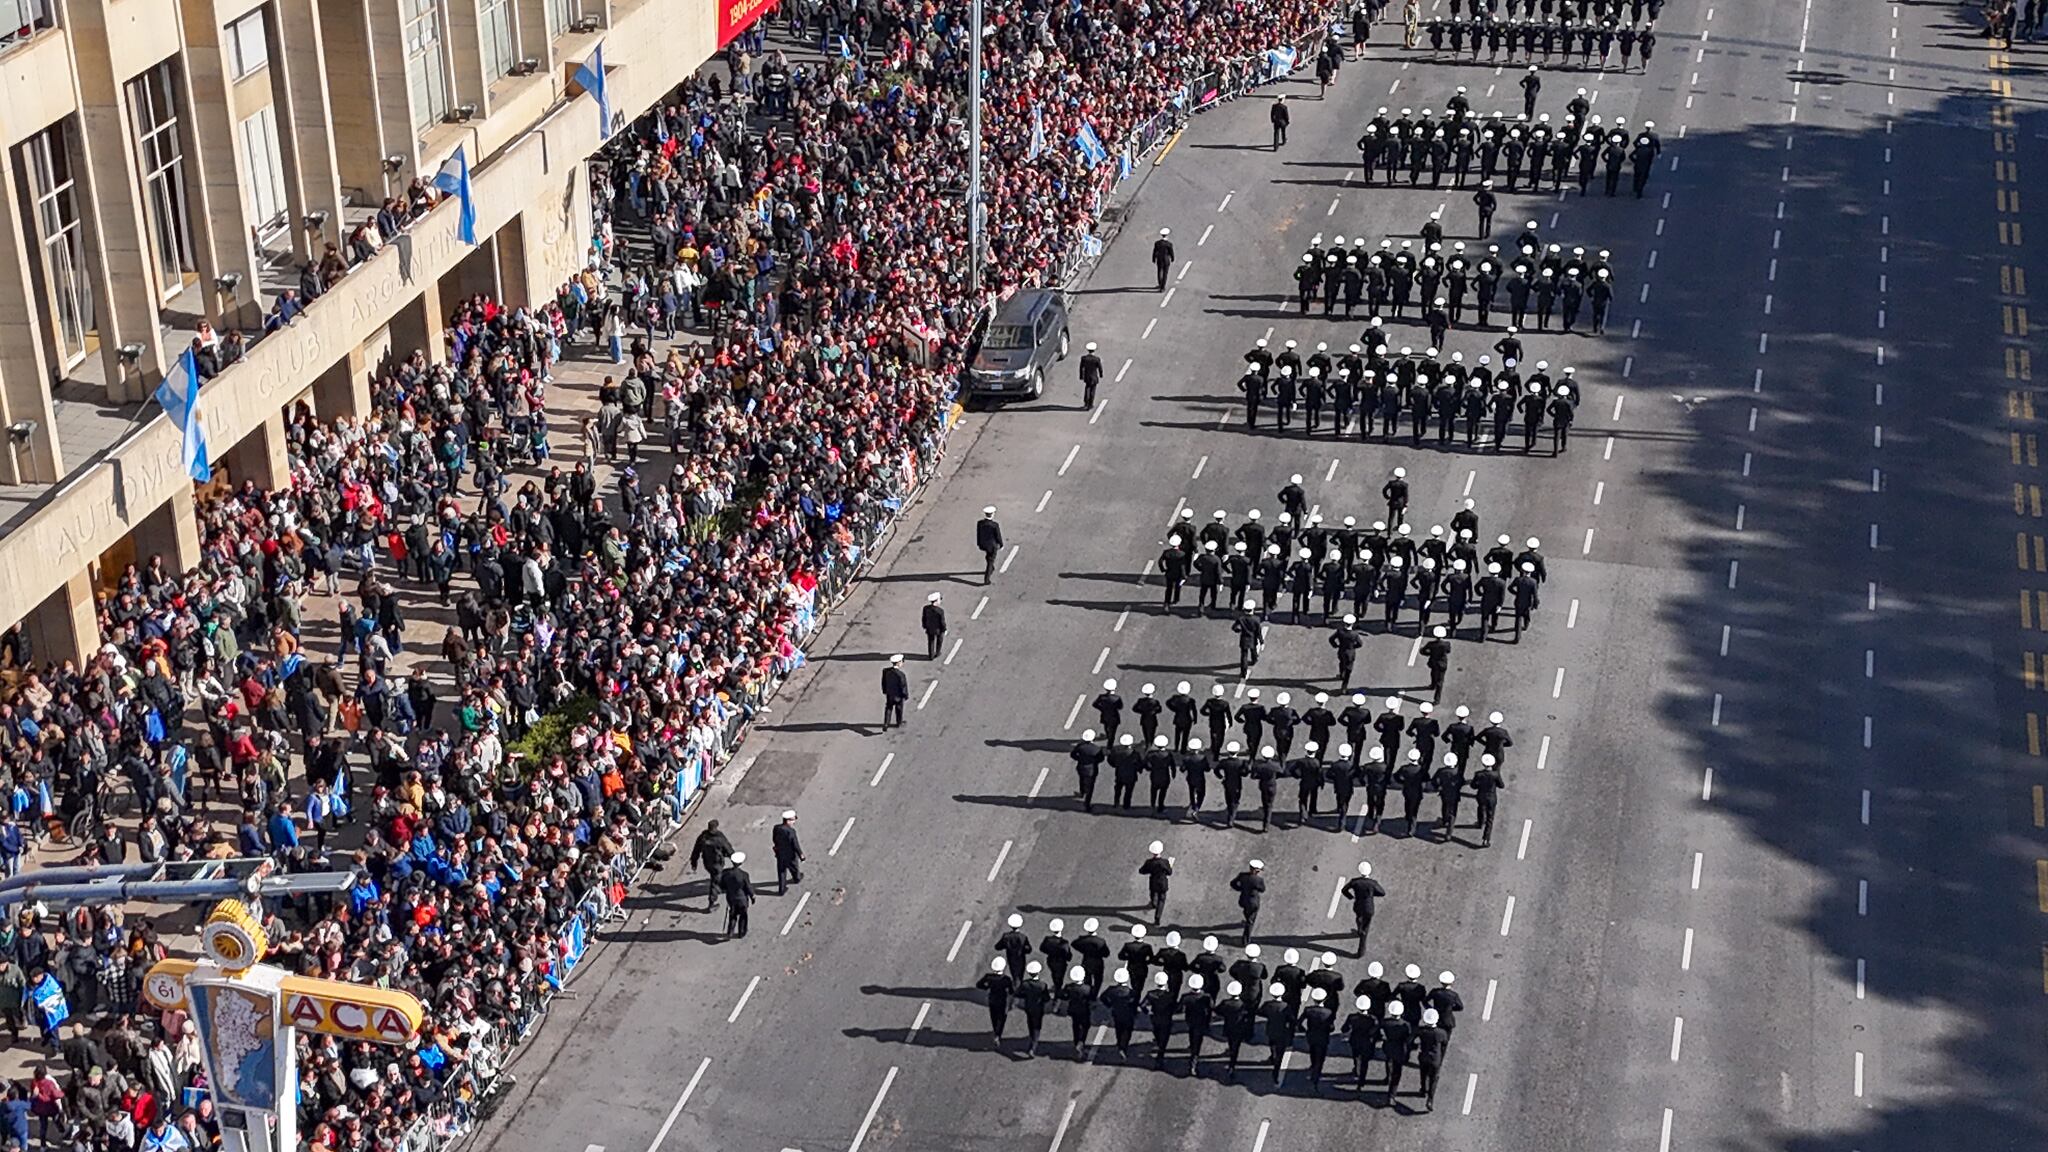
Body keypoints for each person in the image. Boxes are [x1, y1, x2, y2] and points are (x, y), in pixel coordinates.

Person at [1342, 861, 1386, 956]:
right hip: (1368, 907)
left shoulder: (1355, 882)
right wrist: (1372, 894)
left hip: (1358, 905)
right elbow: (1382, 893)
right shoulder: (1372, 883)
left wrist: (1350, 897)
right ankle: (1361, 951)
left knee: (1359, 917)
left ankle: (1359, 929)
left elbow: (1344, 890)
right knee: (1366, 928)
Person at [689, 819, 734, 911]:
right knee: (714, 882)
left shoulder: (703, 837)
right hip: (717, 864)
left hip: (707, 863)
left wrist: (694, 862)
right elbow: (728, 849)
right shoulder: (719, 838)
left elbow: (696, 851)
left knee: (716, 877)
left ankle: (719, 886)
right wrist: (735, 861)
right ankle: (711, 903)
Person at [978, 957, 1016, 1046]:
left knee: (994, 1017)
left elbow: (979, 985)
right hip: (1002, 1000)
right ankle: (998, 1034)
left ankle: (995, 1030)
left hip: (992, 999)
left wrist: (987, 987)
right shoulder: (1006, 979)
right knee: (1001, 1018)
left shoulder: (988, 977)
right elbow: (1011, 991)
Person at [1230, 859, 1266, 944]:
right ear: (1257, 871)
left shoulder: (1242, 876)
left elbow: (1233, 883)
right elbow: (1262, 889)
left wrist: (1241, 889)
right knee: (1250, 921)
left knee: (1246, 912)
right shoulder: (1258, 880)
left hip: (1243, 900)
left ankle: (1246, 919)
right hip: (1253, 902)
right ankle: (1245, 940)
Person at [719, 851, 755, 937]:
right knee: (743, 916)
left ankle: (730, 932)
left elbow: (722, 885)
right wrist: (752, 896)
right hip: (742, 899)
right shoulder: (744, 875)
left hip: (731, 898)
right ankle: (741, 932)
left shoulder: (726, 874)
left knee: (733, 915)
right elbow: (748, 887)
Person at [1140, 841, 1174, 924]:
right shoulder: (1165, 862)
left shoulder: (1149, 862)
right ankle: (1157, 918)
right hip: (1163, 883)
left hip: (1153, 882)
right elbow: (1169, 872)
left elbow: (1142, 871)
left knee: (1153, 893)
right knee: (1161, 900)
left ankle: (1153, 903)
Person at [772, 810, 805, 895]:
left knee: (781, 872)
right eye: (793, 820)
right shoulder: (791, 831)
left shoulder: (776, 828)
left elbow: (774, 839)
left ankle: (781, 889)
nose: (794, 822)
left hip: (780, 854)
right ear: (788, 821)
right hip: (790, 855)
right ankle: (796, 878)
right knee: (794, 868)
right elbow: (795, 844)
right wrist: (801, 854)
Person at [977, 507, 1005, 583]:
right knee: (990, 561)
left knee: (988, 556)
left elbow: (978, 534)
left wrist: (979, 544)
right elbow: (998, 536)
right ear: (992, 514)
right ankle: (987, 579)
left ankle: (991, 568)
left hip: (983, 545)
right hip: (992, 546)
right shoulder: (994, 525)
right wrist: (1001, 544)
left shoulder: (980, 523)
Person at [882, 654, 910, 728]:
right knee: (899, 709)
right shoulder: (901, 675)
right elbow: (903, 686)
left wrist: (885, 691)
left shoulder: (886, 671)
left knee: (888, 708)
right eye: (901, 662)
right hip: (898, 696)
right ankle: (899, 722)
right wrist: (905, 695)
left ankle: (886, 723)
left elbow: (884, 682)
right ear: (898, 663)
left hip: (890, 694)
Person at [922, 592, 948, 660]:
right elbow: (942, 622)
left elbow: (924, 618)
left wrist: (924, 626)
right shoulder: (940, 611)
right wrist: (944, 629)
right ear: (936, 600)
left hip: (929, 629)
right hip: (938, 630)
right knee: (939, 641)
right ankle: (937, 652)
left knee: (931, 641)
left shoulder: (926, 608)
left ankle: (931, 655)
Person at [1079, 342, 1105, 408]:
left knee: (1087, 388)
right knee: (1092, 390)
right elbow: (1100, 368)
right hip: (1094, 377)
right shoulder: (1096, 359)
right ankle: (1091, 403)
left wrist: (1081, 376)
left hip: (1087, 376)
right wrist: (1101, 374)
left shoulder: (1084, 358)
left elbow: (1081, 367)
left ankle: (1086, 402)